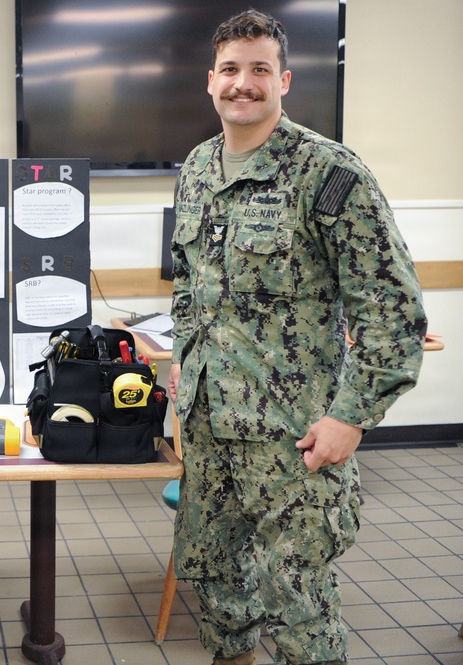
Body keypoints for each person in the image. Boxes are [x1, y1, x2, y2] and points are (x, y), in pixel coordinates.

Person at [167, 10, 426, 665]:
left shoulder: (328, 174)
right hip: (211, 442)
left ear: (283, 80)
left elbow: (393, 313)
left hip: (293, 445)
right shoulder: (197, 168)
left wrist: (351, 416)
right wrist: (180, 363)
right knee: (221, 605)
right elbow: (188, 285)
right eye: (230, 69)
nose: (242, 83)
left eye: (259, 69)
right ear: (211, 81)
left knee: (300, 617)